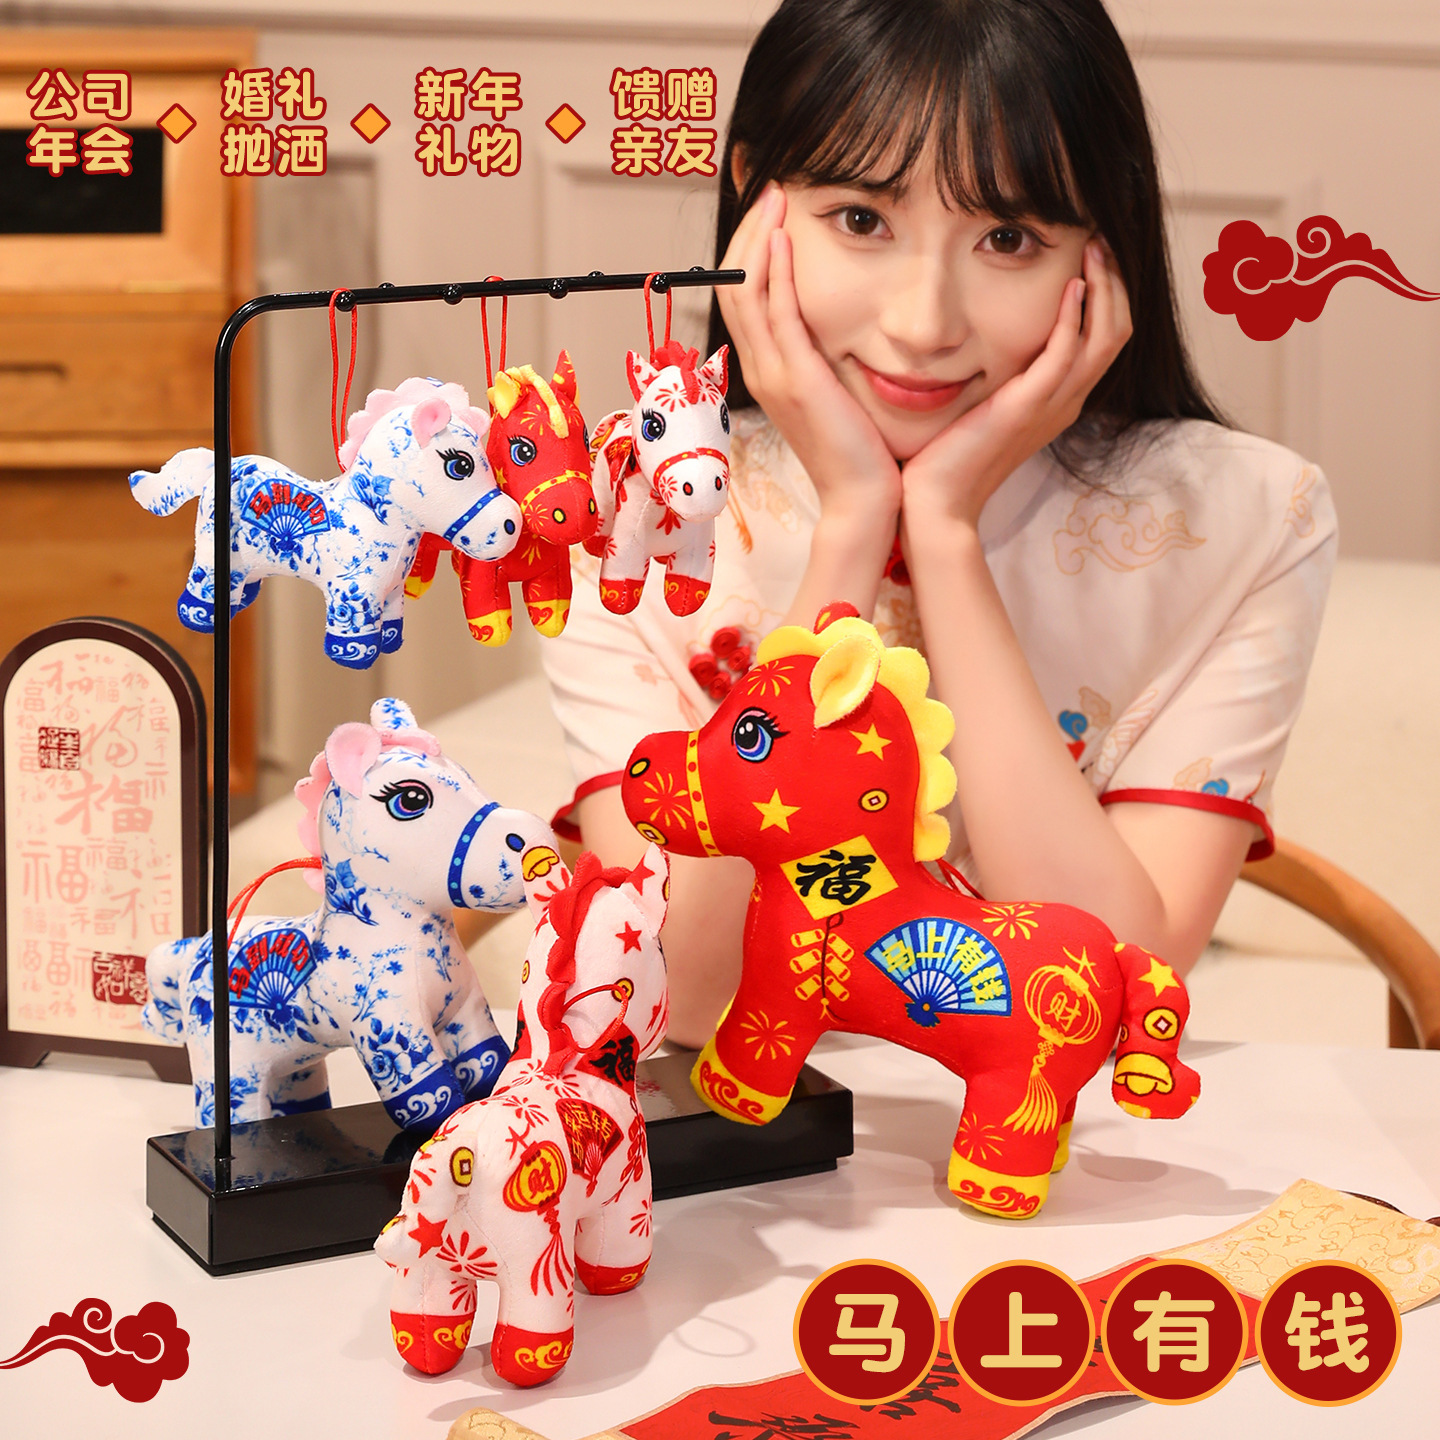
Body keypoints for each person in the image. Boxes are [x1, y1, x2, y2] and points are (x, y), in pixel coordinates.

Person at [542, 0, 1336, 1048]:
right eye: (860, 220)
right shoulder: (624, 514)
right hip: (754, 1139)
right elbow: (682, 1000)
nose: (923, 324)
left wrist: (947, 535)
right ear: (755, 199)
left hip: (1049, 1136)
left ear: (1100, 247)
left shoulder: (1247, 521)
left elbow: (1108, 1000)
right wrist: (852, 528)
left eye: (1008, 238)